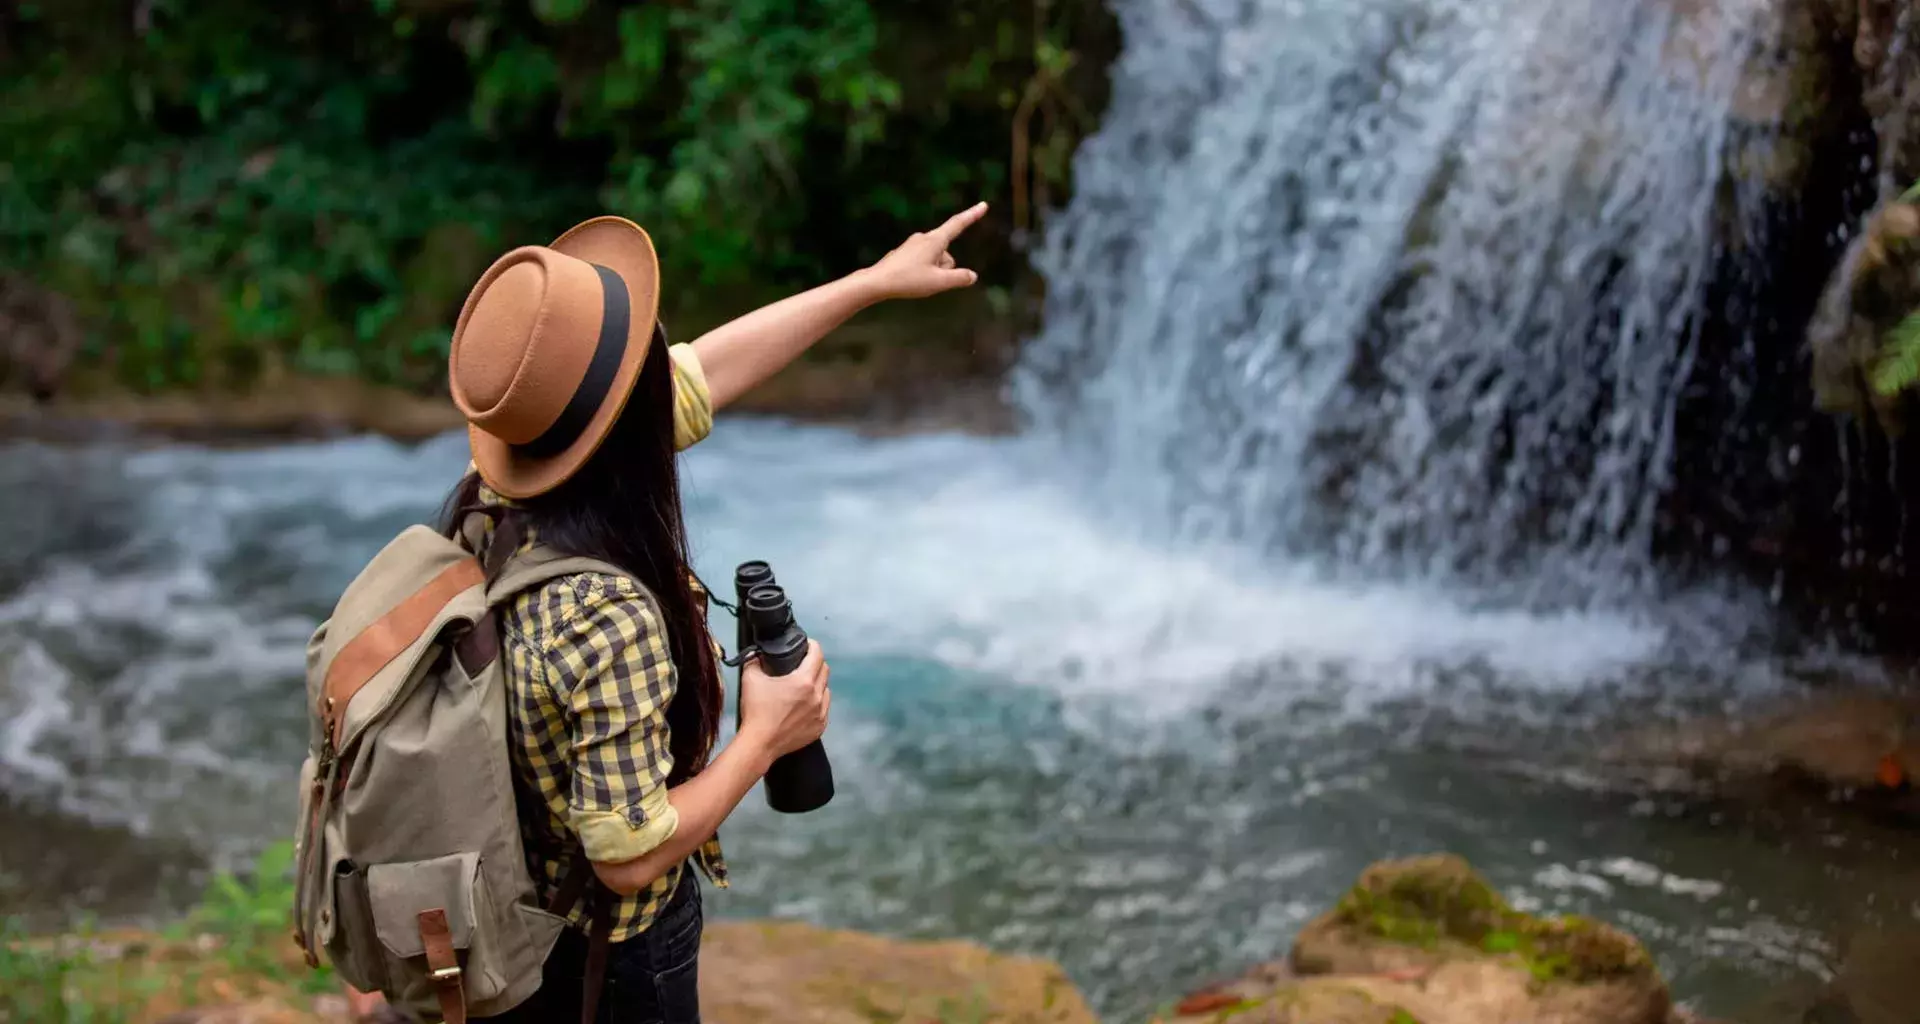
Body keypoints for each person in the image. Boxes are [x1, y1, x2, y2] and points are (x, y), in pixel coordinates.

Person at [338, 201, 987, 1024]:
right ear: (628, 424)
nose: (672, 356)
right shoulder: (605, 614)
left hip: (509, 915)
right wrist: (767, 736)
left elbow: (708, 368)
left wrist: (870, 284)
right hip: (605, 963)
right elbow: (628, 854)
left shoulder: (498, 501)